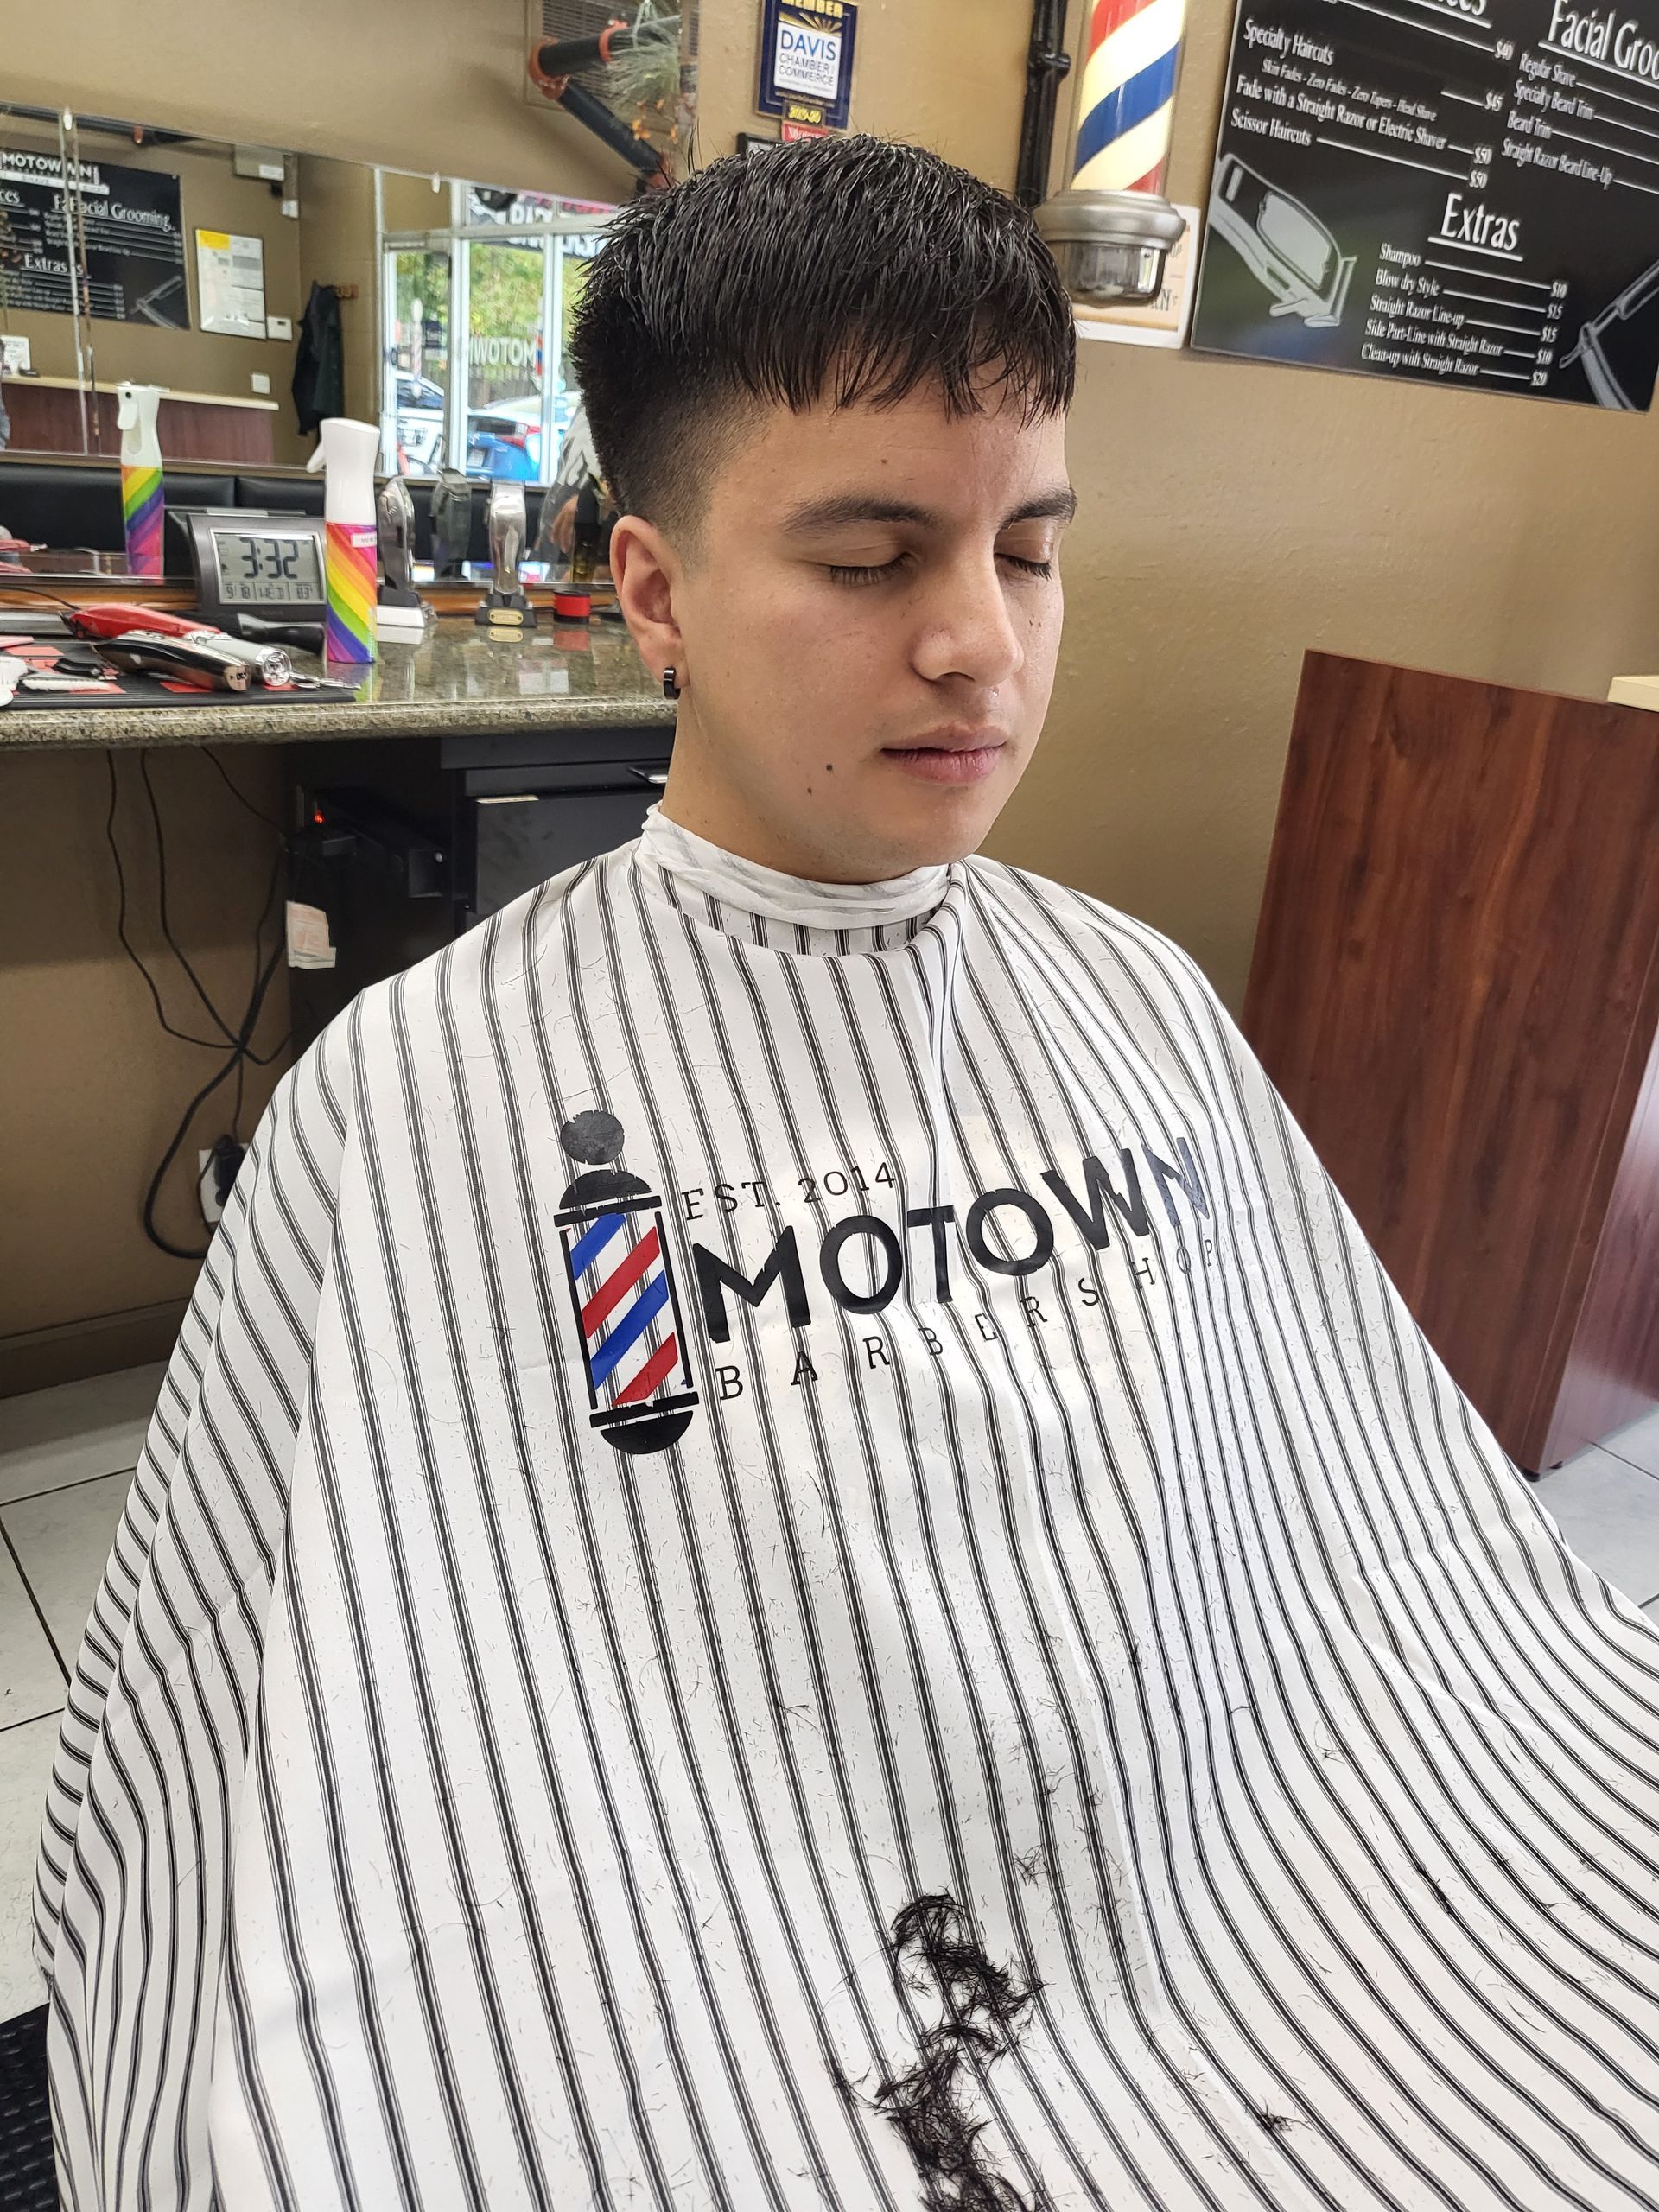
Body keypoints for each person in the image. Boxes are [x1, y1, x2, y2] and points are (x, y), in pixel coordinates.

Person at [35, 136, 1659, 2212]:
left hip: (1234, 1858)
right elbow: (259, 1748)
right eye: (875, 557)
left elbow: (1363, 1554)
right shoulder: (415, 1096)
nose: (983, 645)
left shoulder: (1136, 997)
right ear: (653, 592)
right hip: (718, 1966)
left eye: (1032, 548)